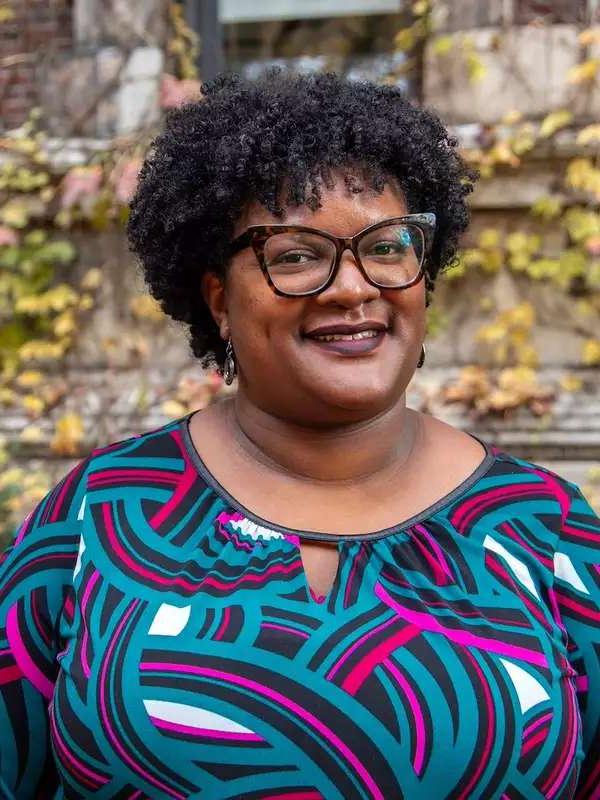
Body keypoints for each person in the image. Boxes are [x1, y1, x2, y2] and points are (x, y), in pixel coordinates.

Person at [0, 69, 598, 800]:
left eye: (387, 246)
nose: (353, 287)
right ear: (218, 299)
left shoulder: (544, 528)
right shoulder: (104, 514)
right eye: (296, 255)